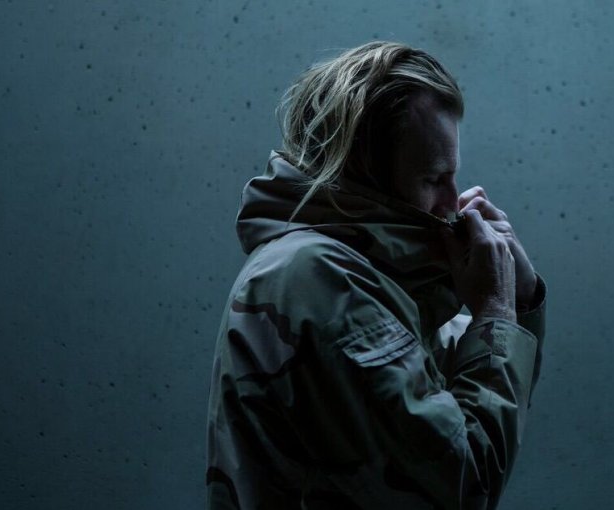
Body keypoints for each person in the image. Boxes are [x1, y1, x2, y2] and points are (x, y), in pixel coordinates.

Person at [205, 41, 547, 509]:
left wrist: (520, 302)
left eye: (453, 176)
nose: (454, 202)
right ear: (363, 177)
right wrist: (497, 311)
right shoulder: (322, 279)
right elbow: (465, 485)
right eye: (432, 179)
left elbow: (466, 404)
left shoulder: (379, 281)